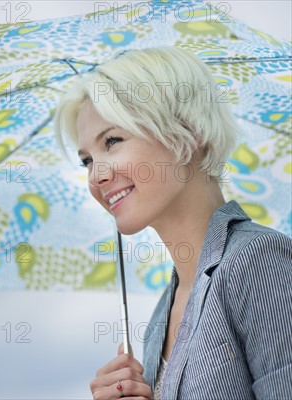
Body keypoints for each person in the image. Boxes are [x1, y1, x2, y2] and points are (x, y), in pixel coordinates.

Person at [53, 46, 292, 399]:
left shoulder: (257, 259)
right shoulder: (159, 321)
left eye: (113, 141)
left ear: (188, 133)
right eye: (87, 160)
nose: (97, 176)